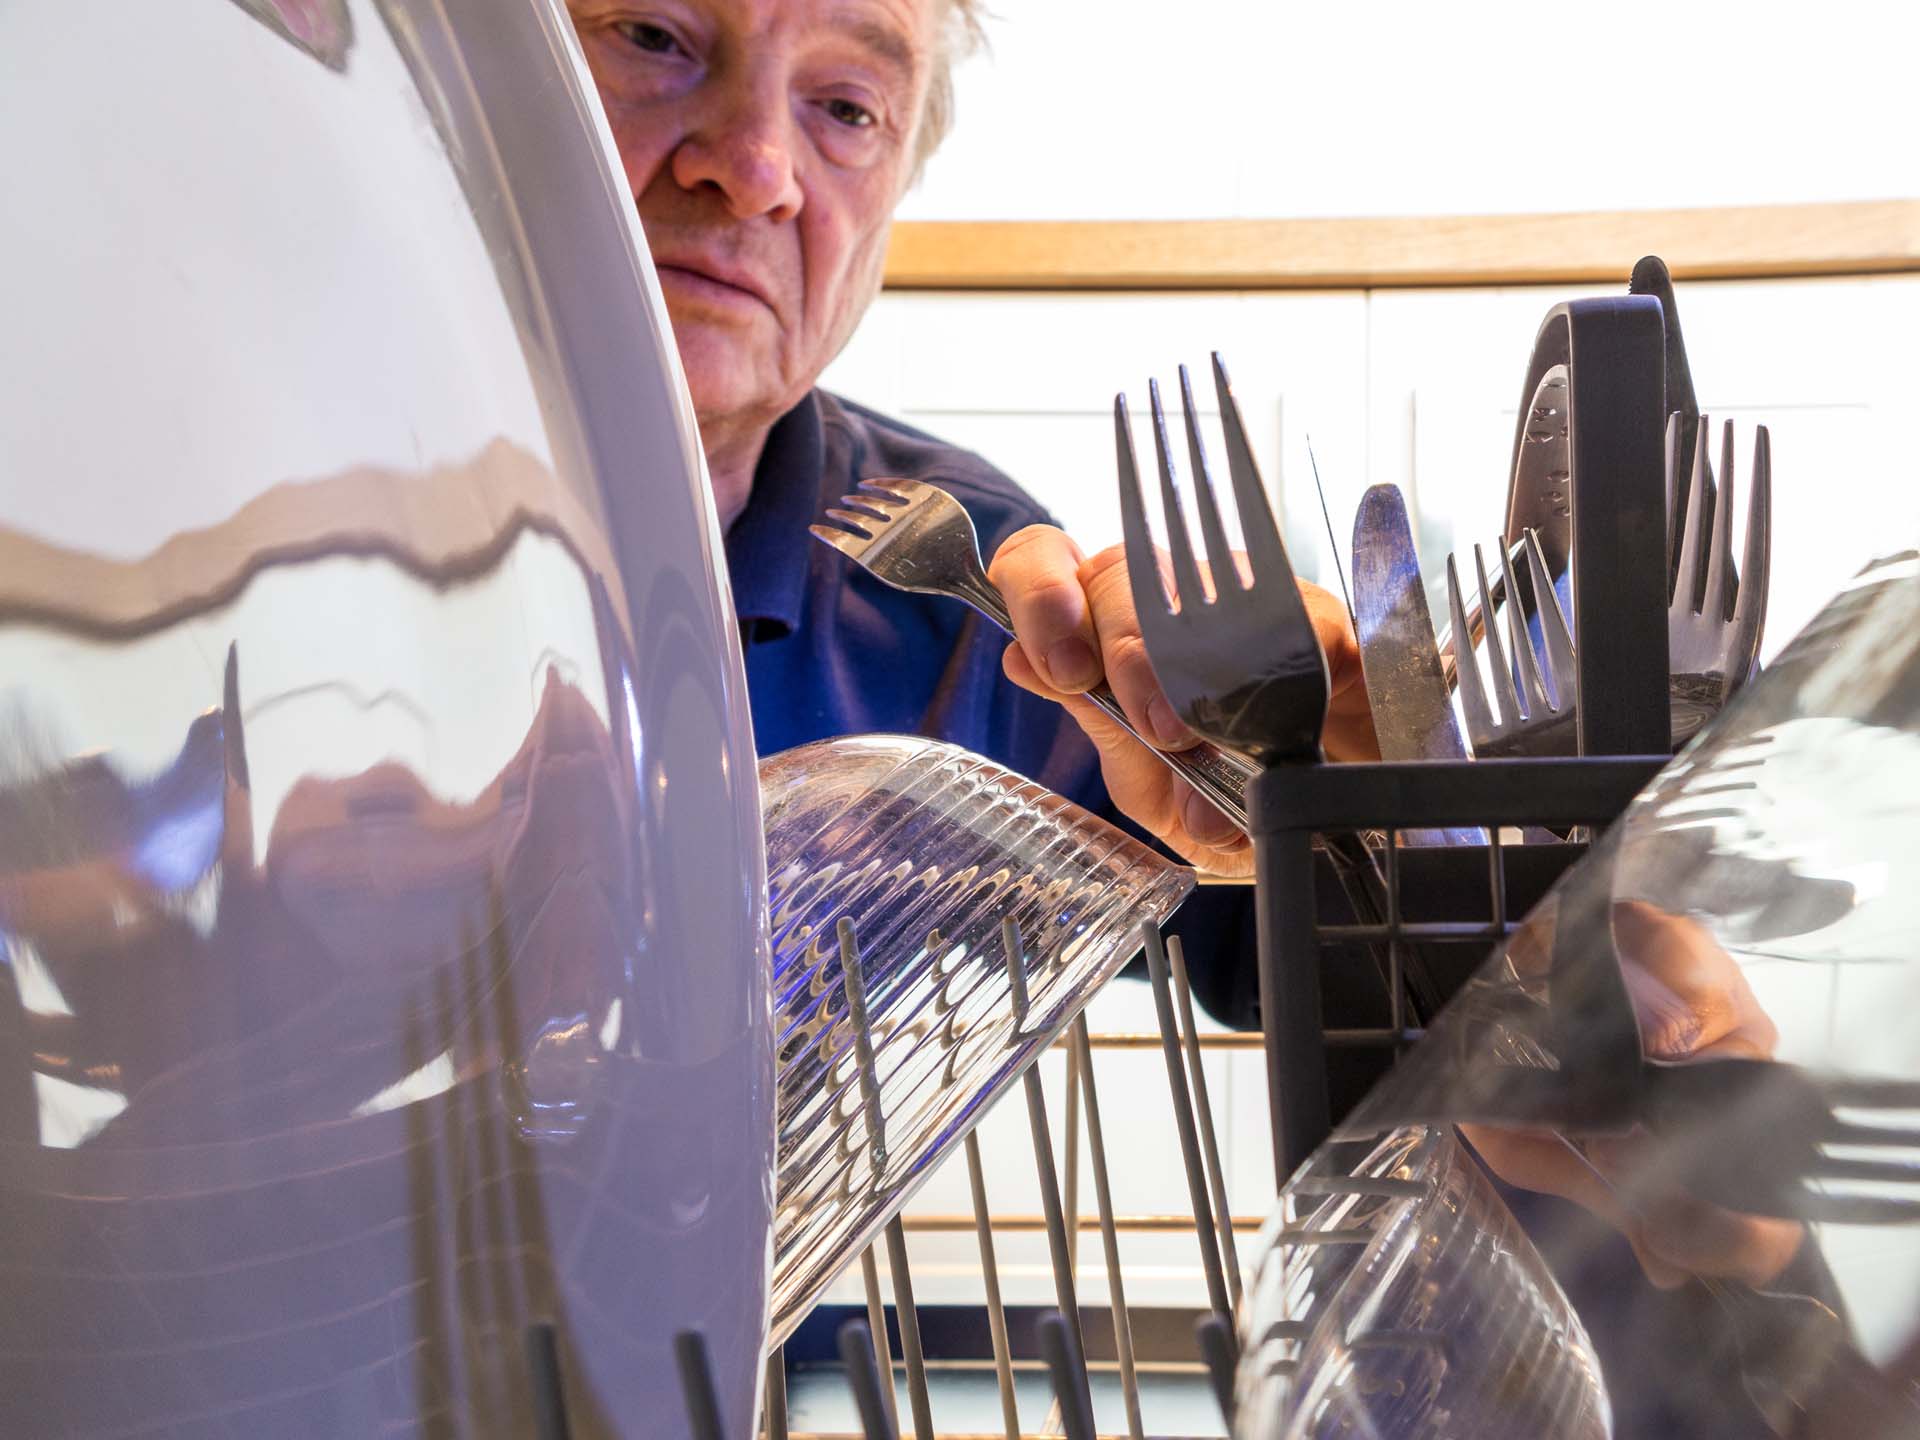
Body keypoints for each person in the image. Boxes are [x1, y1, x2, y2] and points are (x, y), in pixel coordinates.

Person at [560, 0, 1808, 1319]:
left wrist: (1459, 896)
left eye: (848, 106)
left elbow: (1297, 935)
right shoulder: (315, 493)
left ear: (893, 193)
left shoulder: (953, 579)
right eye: (653, 35)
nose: (751, 164)